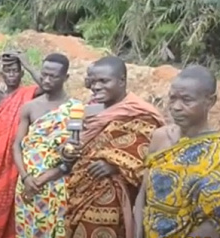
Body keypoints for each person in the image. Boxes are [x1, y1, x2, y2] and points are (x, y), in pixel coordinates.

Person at [64, 56, 164, 237]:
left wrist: (115, 164)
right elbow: (76, 148)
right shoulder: (90, 111)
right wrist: (67, 153)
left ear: (122, 81)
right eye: (93, 81)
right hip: (80, 192)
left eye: (104, 81)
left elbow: (148, 158)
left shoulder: (141, 114)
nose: (96, 86)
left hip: (113, 201)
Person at [135, 65, 220, 238]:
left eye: (186, 100)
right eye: (172, 99)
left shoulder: (216, 149)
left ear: (210, 101)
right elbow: (143, 194)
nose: (176, 107)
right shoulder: (160, 137)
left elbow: (214, 221)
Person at [0, 51, 42, 238]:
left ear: (21, 74)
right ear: (2, 74)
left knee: (13, 199)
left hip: (17, 156)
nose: (11, 75)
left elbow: (45, 85)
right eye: (8, 71)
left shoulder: (30, 94)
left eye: (15, 71)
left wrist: (26, 62)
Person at [12, 53, 81, 238]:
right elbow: (16, 145)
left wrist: (46, 178)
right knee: (28, 230)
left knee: (56, 230)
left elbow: (76, 152)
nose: (47, 80)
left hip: (57, 184)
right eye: (44, 75)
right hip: (27, 185)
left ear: (65, 78)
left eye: (53, 76)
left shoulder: (76, 109)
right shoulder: (29, 107)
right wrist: (26, 178)